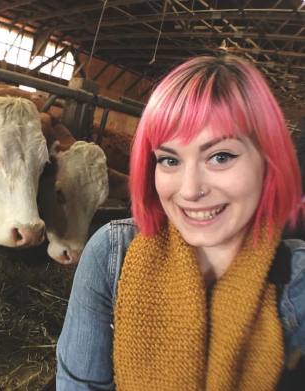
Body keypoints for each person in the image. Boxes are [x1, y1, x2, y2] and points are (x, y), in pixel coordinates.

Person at [55, 55, 305, 390]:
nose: (189, 190)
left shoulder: (298, 282)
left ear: (268, 160)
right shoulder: (111, 254)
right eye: (170, 160)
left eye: (221, 156)